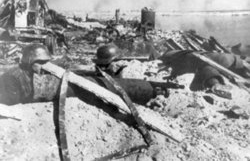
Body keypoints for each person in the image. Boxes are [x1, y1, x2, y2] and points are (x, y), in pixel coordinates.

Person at [0, 44, 171, 106]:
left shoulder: (31, 73)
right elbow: (12, 102)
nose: (46, 66)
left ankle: (151, 90)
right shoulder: (13, 78)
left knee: (91, 83)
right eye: (41, 63)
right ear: (30, 62)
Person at [158, 50, 250, 99]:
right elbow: (205, 66)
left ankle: (215, 84)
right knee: (208, 66)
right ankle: (215, 84)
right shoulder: (227, 60)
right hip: (179, 57)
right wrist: (215, 84)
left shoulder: (229, 59)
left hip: (186, 56)